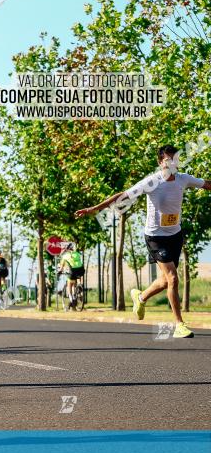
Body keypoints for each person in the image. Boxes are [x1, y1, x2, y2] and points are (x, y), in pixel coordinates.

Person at [76, 145, 210, 338]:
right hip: (155, 237)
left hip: (175, 235)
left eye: (175, 160)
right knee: (173, 278)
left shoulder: (184, 179)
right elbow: (123, 195)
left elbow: (207, 184)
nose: (172, 163)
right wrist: (95, 208)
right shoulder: (152, 182)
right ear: (160, 162)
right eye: (168, 160)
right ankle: (179, 324)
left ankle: (141, 297)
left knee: (165, 282)